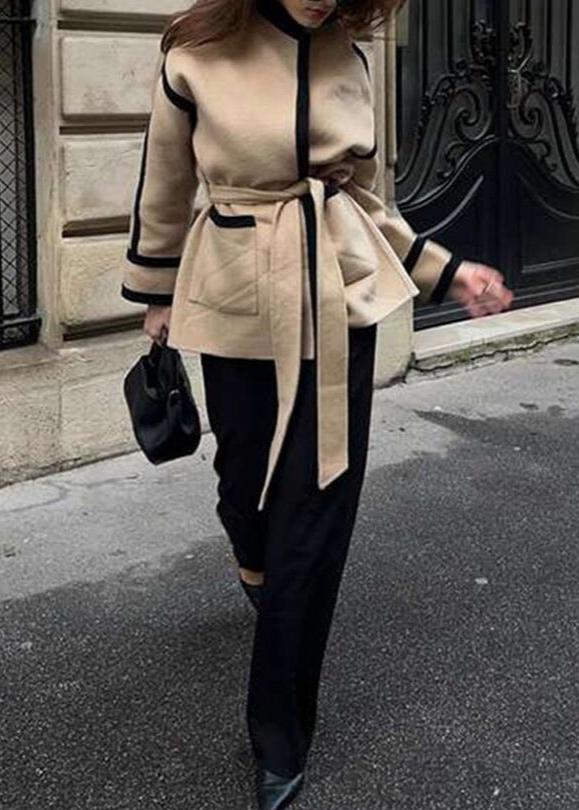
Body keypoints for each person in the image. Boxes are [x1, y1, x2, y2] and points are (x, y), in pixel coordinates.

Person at [120, 1, 514, 807]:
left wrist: (447, 270)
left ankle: (280, 733)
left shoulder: (349, 57)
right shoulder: (196, 51)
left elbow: (369, 204)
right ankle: (252, 557)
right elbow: (164, 181)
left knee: (316, 506)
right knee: (244, 486)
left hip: (337, 304)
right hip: (236, 296)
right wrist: (156, 292)